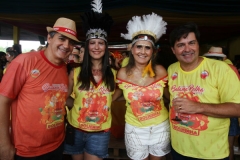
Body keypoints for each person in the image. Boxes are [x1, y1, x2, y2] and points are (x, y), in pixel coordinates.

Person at [0, 17, 80, 160]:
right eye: (62, 38)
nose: (66, 45)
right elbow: (2, 101)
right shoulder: (25, 61)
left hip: (57, 144)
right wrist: (3, 144)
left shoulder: (63, 68)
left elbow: (60, 98)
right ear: (49, 37)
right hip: (27, 150)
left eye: (71, 42)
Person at [168, 23, 240, 159]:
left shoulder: (221, 69)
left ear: (198, 45)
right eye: (180, 45)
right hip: (178, 149)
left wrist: (198, 107)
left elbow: (237, 108)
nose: (187, 49)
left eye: (191, 43)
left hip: (211, 153)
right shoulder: (171, 69)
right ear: (173, 50)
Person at [114, 13, 170, 160]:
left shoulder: (160, 71)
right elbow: (117, 95)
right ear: (132, 49)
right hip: (135, 129)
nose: (142, 52)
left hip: (160, 126)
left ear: (153, 52)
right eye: (139, 47)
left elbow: (169, 96)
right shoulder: (123, 74)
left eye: (147, 48)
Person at [63, 0, 116, 160]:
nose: (96, 47)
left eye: (101, 43)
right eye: (92, 43)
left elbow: (124, 91)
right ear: (87, 46)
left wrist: (105, 102)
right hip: (75, 128)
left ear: (106, 47)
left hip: (100, 133)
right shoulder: (75, 72)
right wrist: (79, 106)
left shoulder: (114, 74)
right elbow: (64, 97)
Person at [203, 46, 240, 160]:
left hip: (224, 110)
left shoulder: (226, 70)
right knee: (227, 146)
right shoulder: (230, 68)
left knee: (221, 146)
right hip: (227, 109)